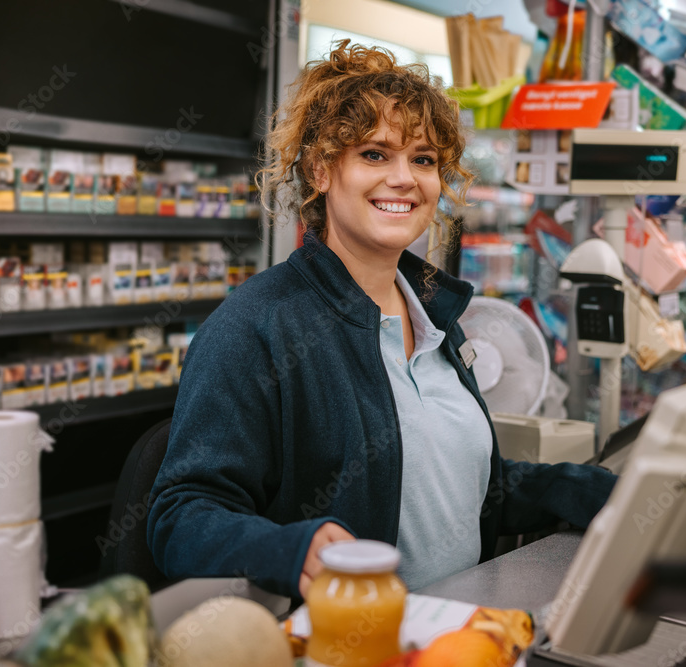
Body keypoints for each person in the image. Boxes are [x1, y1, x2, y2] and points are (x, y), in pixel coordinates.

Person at [146, 40, 617, 601]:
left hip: (454, 635)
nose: (405, 179)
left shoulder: (437, 314)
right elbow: (180, 515)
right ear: (321, 170)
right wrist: (290, 548)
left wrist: (591, 489)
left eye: (423, 159)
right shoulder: (256, 326)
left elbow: (451, 487)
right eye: (374, 154)